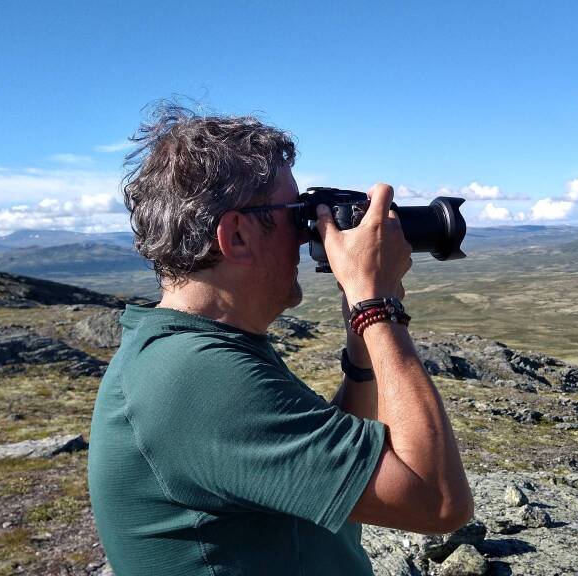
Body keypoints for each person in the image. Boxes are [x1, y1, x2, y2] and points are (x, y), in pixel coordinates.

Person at [87, 104, 473, 576]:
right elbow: (436, 502)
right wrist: (376, 305)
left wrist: (361, 340)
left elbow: (336, 464)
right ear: (237, 236)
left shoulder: (194, 350)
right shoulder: (195, 377)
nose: (308, 232)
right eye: (297, 214)